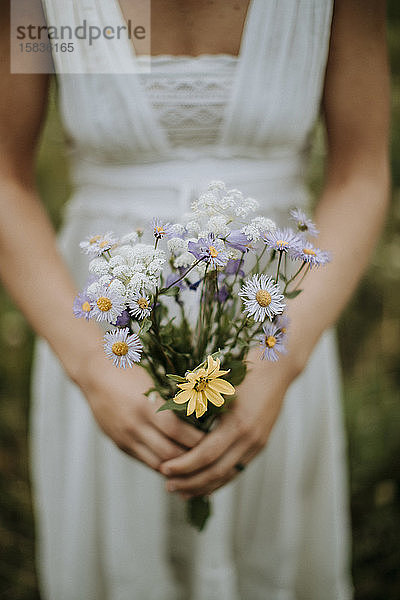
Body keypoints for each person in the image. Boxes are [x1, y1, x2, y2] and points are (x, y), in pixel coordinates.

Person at [0, 1, 389, 598]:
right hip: (103, 339)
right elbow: (5, 174)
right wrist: (92, 367)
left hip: (278, 329)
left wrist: (280, 360)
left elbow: (360, 173)